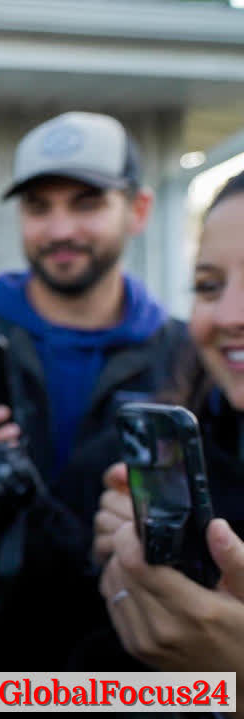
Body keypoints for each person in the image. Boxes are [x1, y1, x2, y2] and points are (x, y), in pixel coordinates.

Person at [0, 111, 188, 694]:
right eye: (38, 207)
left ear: (139, 211)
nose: (59, 228)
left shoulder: (183, 358)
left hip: (135, 680)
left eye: (86, 203)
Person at [93, 171, 244, 673]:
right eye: (208, 285)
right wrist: (120, 561)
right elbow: (51, 694)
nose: (227, 314)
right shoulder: (192, 431)